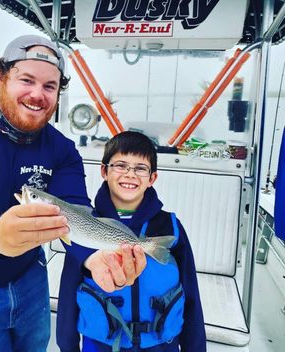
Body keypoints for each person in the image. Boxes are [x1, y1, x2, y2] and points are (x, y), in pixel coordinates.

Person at [0, 35, 146, 352]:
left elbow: (77, 214)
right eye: (27, 80)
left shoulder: (62, 150)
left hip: (29, 279)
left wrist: (98, 258)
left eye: (50, 86)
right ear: (0, 78)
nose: (38, 94)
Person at [57, 131, 206, 352]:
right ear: (104, 171)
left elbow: (190, 293)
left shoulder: (170, 227)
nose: (130, 174)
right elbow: (68, 293)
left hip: (161, 345)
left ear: (152, 178)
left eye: (140, 168)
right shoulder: (86, 228)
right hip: (101, 345)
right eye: (120, 165)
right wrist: (67, 346)